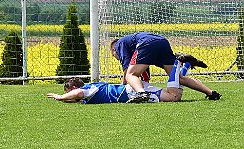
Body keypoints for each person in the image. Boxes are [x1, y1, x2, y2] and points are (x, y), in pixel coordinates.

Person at [110, 32, 221, 102]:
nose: (117, 58)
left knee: (131, 74)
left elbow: (127, 71)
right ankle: (211, 93)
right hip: (162, 41)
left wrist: (123, 86)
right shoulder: (132, 46)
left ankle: (141, 94)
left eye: (114, 55)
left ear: (114, 50)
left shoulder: (119, 44)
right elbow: (145, 75)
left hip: (146, 43)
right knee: (180, 78)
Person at [47, 57, 212, 104]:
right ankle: (186, 64)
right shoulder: (92, 89)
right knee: (173, 95)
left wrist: (59, 97)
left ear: (73, 87)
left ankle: (178, 63)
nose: (70, 97)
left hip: (132, 91)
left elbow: (79, 93)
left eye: (68, 93)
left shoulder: (89, 90)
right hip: (133, 90)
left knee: (174, 97)